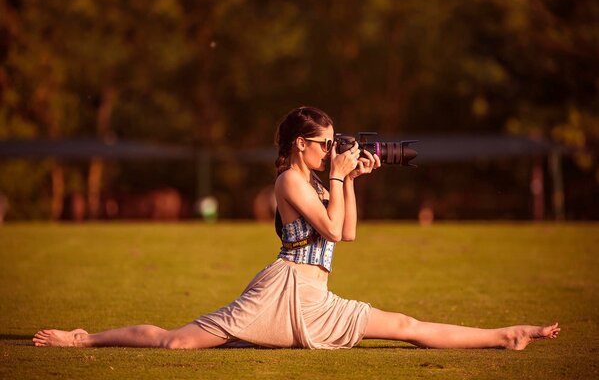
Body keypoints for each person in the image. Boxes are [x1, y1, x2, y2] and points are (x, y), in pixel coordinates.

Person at [33, 106, 560, 350]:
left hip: (318, 298)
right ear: (298, 146)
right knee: (177, 344)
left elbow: (347, 234)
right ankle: (84, 339)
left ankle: (505, 335)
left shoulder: (320, 177)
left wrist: (351, 179)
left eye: (334, 142)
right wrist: (338, 174)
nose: (332, 149)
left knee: (406, 325)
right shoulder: (289, 180)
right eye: (324, 142)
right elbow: (329, 233)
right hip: (279, 291)